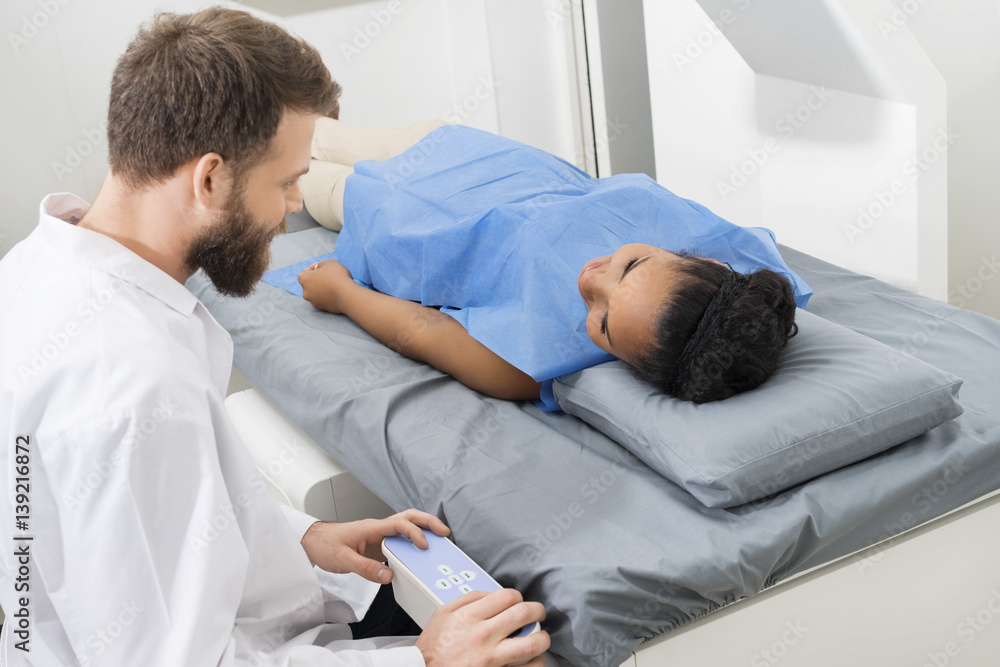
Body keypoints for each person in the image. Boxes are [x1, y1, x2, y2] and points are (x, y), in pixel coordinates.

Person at [0, 8, 548, 667]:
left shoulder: (34, 266)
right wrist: (424, 661)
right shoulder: (136, 385)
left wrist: (302, 536)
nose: (291, 208)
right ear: (208, 179)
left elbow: (144, 528)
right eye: (285, 182)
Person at [294, 118, 811, 410]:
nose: (593, 282)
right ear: (700, 260)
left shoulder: (533, 364)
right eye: (629, 267)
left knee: (291, 169)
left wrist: (342, 294)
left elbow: (424, 330)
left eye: (603, 324)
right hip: (460, 153)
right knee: (310, 130)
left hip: (395, 220)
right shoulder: (715, 248)